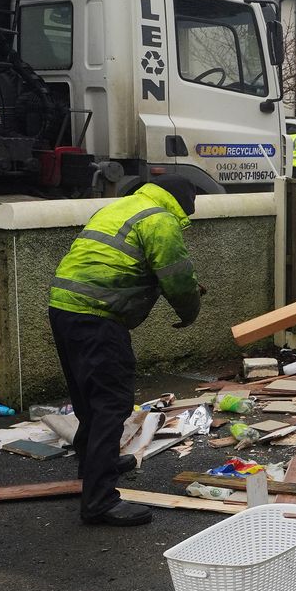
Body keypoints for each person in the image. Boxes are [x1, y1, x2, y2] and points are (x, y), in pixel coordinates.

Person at [47, 178, 203, 526]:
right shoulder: (159, 219)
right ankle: (100, 502)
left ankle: (94, 465)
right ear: (183, 200)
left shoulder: (121, 207)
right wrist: (190, 312)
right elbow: (177, 277)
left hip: (64, 308)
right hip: (97, 317)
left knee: (89, 399)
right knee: (111, 404)